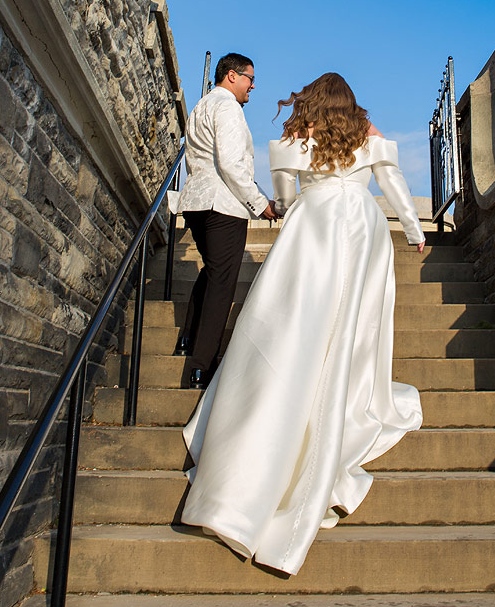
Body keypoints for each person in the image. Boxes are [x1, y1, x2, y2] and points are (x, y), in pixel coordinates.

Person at [179, 72, 426, 574]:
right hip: (362, 226)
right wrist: (414, 228)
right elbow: (393, 182)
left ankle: (254, 440)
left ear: (312, 99)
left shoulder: (296, 136)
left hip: (312, 226)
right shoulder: (368, 132)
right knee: (352, 330)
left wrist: (300, 210)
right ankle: (338, 406)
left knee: (291, 323)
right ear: (350, 102)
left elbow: (287, 194)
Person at [170, 52, 277, 389]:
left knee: (214, 270)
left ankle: (186, 338)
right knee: (223, 283)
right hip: (222, 206)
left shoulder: (201, 106)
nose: (252, 85)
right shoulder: (229, 107)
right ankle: (201, 367)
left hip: (196, 203)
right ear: (231, 76)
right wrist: (260, 204)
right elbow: (231, 164)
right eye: (249, 78)